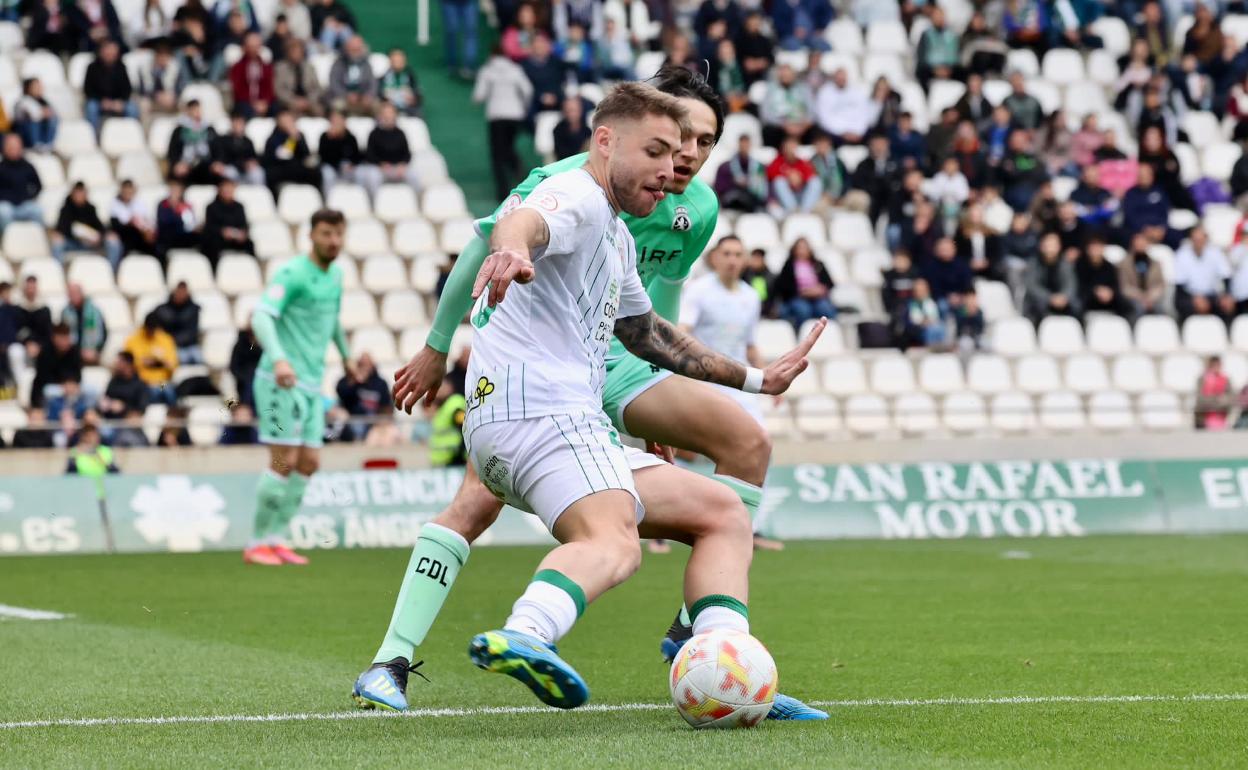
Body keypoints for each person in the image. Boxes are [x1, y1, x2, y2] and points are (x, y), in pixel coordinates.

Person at [352, 69, 826, 721]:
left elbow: (649, 333)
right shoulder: (574, 194)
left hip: (536, 429)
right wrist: (511, 250)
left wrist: (756, 379)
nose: (673, 166)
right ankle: (526, 632)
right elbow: (525, 222)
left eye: (688, 149)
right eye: (657, 151)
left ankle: (728, 665)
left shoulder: (616, 231)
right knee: (616, 543)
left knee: (722, 513)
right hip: (540, 422)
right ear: (606, 143)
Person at [244, 209, 354, 567]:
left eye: (338, 234)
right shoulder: (292, 274)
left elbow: (332, 319)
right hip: (280, 382)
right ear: (311, 235)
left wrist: (347, 356)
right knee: (283, 460)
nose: (333, 241)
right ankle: (256, 542)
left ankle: (276, 539)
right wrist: (278, 358)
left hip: (310, 385)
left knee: (308, 462)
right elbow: (261, 315)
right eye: (326, 234)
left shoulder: (336, 275)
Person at [473, 44, 532, 200]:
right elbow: (527, 90)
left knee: (497, 155)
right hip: (515, 114)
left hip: (497, 115)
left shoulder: (487, 71)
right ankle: (521, 172)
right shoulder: (515, 69)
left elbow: (479, 95)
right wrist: (523, 107)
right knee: (509, 148)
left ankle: (502, 192)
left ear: (491, 56)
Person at [51, 182, 124, 270]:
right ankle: (58, 272)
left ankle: (111, 272)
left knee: (113, 241)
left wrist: (100, 236)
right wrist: (77, 235)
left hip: (90, 243)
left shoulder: (91, 208)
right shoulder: (65, 209)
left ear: (86, 194)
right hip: (73, 243)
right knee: (57, 242)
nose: (79, 196)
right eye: (77, 193)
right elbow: (61, 229)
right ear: (72, 194)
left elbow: (99, 227)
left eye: (82, 193)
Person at [355, 103, 421, 198]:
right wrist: (381, 164)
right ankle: (375, 202)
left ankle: (416, 200)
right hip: (380, 168)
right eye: (385, 113)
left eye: (390, 113)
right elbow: (370, 155)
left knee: (414, 174)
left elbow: (407, 154)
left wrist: (402, 165)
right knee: (373, 176)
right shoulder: (374, 134)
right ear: (380, 116)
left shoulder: (400, 133)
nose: (388, 116)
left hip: (398, 168)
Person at [1173, 226, 1235, 322]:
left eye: (1201, 239)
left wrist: (1226, 296)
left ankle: (1226, 333)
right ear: (1191, 239)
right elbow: (1180, 285)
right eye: (1196, 239)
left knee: (1227, 304)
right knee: (1188, 305)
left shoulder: (1215, 253)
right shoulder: (1182, 254)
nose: (1199, 242)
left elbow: (1226, 277)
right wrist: (1195, 298)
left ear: (1206, 239)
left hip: (1211, 295)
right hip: (1188, 295)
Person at [773, 237, 836, 331]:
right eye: (799, 248)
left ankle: (828, 335)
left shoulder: (818, 264)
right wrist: (802, 292)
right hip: (797, 297)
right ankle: (803, 336)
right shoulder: (789, 265)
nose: (802, 251)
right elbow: (783, 286)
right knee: (803, 310)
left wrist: (821, 290)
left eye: (805, 248)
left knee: (826, 309)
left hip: (817, 298)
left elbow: (829, 283)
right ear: (794, 250)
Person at [82, 40, 138, 135]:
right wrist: (102, 101)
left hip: (117, 102)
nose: (111, 55)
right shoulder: (92, 68)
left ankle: (130, 135)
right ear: (102, 52)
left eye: (113, 52)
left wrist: (120, 102)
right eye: (108, 52)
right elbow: (88, 90)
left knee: (132, 108)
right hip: (98, 101)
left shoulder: (121, 67)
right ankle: (93, 136)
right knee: (91, 107)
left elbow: (127, 89)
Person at [1024, 232, 1080, 324]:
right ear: (1041, 246)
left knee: (1076, 305)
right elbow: (1032, 286)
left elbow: (1070, 284)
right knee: (1037, 306)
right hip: (1041, 302)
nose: (1050, 248)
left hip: (1062, 301)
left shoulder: (1065, 264)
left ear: (1059, 246)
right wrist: (1050, 298)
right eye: (1047, 245)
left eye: (1053, 245)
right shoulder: (1033, 264)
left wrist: (1064, 297)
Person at [97, 351, 149, 447]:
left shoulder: (140, 385)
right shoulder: (114, 382)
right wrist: (104, 405)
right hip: (109, 423)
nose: (116, 364)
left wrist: (123, 408)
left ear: (128, 364)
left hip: (128, 426)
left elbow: (139, 412)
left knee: (124, 437)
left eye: (119, 361)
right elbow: (105, 399)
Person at [124, 312, 178, 404]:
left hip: (161, 381)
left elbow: (173, 364)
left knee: (168, 391)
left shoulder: (165, 339)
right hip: (144, 382)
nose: (151, 332)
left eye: (154, 329)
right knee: (151, 393)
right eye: (149, 329)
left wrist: (161, 361)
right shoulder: (133, 340)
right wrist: (144, 362)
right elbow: (128, 362)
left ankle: (172, 416)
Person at [261, 109, 320, 194]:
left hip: (297, 167)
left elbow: (306, 154)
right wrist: (292, 139)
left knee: (315, 172)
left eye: (289, 120)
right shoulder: (273, 138)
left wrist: (298, 139)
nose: (288, 122)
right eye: (285, 120)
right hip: (279, 169)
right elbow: (284, 155)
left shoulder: (299, 135)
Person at [760, 64, 815, 148]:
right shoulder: (771, 89)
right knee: (769, 132)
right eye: (783, 76)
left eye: (788, 76)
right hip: (780, 126)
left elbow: (812, 110)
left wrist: (804, 125)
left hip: (801, 125)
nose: (786, 78)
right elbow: (765, 114)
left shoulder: (803, 88)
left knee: (817, 133)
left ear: (794, 76)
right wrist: (783, 125)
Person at [201, 178, 253, 266]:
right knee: (212, 243)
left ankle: (250, 267)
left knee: (250, 243)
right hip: (218, 238)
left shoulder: (239, 206)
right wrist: (222, 232)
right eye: (225, 188)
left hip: (235, 239)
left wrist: (242, 233)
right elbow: (209, 227)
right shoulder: (211, 207)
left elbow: (244, 224)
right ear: (220, 190)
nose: (228, 191)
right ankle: (214, 270)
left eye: (230, 188)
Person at [167, 99, 220, 186]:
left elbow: (217, 149)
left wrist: (217, 162)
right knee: (178, 178)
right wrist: (177, 164)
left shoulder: (209, 129)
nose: (196, 113)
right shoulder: (180, 130)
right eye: (193, 109)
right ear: (188, 111)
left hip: (205, 164)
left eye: (198, 109)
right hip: (185, 164)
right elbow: (172, 151)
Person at [815, 68, 872, 145]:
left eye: (843, 77)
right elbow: (824, 118)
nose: (841, 80)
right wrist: (842, 133)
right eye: (838, 78)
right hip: (836, 134)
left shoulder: (857, 91)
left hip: (858, 133)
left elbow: (865, 114)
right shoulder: (825, 92)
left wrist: (858, 132)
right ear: (834, 78)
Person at [766, 136, 822, 215]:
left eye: (793, 146)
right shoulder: (777, 161)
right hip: (784, 200)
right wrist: (788, 175)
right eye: (789, 146)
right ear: (783, 148)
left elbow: (811, 174)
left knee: (816, 181)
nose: (791, 150)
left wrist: (800, 177)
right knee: (779, 181)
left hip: (800, 197)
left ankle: (805, 211)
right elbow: (769, 174)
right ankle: (793, 211)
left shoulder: (802, 162)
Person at [32, 323, 82, 409]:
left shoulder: (74, 351)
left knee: (91, 390)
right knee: (50, 391)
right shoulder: (45, 352)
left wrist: (72, 382)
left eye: (66, 338)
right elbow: (43, 377)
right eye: (61, 338)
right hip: (49, 387)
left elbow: (78, 374)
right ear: (54, 338)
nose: (64, 342)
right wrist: (63, 384)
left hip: (70, 386)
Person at [0, 134, 43, 233]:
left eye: (16, 147)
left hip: (24, 204)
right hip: (6, 205)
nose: (14, 150)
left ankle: (36, 240)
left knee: (38, 211)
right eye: (11, 147)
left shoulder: (28, 166)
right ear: (5, 148)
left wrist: (29, 196)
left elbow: (38, 185)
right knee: (3, 212)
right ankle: (7, 240)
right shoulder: (1, 168)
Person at [714, 134, 768, 213]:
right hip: (732, 200)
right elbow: (720, 189)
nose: (744, 148)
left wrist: (749, 183)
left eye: (746, 145)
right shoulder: (725, 167)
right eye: (742, 145)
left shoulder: (758, 167)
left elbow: (762, 191)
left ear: (750, 146)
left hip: (752, 201)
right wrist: (734, 182)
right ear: (738, 145)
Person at [212, 111, 265, 187]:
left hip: (246, 170)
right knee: (228, 172)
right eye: (235, 122)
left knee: (258, 173)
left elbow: (253, 157)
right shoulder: (222, 140)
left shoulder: (248, 141)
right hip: (231, 168)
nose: (237, 126)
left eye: (240, 123)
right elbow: (220, 158)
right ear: (231, 124)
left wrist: (252, 163)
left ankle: (258, 194)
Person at [1118, 233, 1165, 319]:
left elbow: (1160, 284)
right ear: (1133, 244)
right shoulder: (1124, 264)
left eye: (1143, 243)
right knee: (1138, 308)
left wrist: (1151, 297)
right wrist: (1141, 296)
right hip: (1133, 298)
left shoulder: (1155, 263)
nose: (1140, 246)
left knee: (1161, 309)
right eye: (1138, 244)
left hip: (1152, 298)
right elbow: (1124, 287)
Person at [327, 35, 377, 116]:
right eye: (353, 49)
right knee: (337, 105)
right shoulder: (339, 63)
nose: (355, 52)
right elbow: (334, 83)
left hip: (362, 98)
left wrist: (368, 95)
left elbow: (372, 83)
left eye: (357, 49)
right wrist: (346, 95)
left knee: (376, 106)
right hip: (343, 97)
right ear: (347, 48)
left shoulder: (366, 64)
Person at [273, 38, 323, 118]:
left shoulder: (309, 67)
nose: (296, 54)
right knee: (289, 115)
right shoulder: (280, 68)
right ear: (288, 52)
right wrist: (294, 101)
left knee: (319, 111)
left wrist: (308, 101)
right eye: (293, 52)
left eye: (299, 51)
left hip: (309, 102)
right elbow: (279, 90)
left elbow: (317, 88)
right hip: (289, 103)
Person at [156, 281, 202, 365]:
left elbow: (192, 332)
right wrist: (170, 341)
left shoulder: (193, 310)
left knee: (199, 358)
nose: (180, 295)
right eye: (179, 292)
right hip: (170, 345)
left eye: (183, 292)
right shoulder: (162, 310)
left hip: (190, 345)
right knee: (180, 358)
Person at [61, 283, 107, 366]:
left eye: (75, 293)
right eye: (70, 293)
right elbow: (62, 334)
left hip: (91, 354)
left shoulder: (94, 312)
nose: (73, 296)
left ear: (81, 293)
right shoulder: (65, 313)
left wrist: (96, 351)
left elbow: (104, 333)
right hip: (71, 354)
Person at [155, 180, 199, 262]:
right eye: (173, 189)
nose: (174, 192)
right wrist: (176, 212)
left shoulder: (186, 205)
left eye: (177, 190)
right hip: (168, 237)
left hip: (184, 236)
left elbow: (191, 223)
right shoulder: (162, 204)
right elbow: (163, 222)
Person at [318, 109, 362, 190]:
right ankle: (328, 199)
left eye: (339, 120)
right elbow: (323, 157)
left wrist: (352, 165)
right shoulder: (325, 137)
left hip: (347, 167)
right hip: (331, 166)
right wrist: (331, 139)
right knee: (327, 174)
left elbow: (356, 156)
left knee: (360, 173)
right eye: (334, 121)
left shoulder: (350, 137)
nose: (337, 124)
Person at [136, 44, 181, 117]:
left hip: (168, 99)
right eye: (162, 57)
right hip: (151, 100)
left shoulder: (174, 69)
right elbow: (142, 90)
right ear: (156, 57)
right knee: (143, 103)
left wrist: (172, 96)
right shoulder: (145, 69)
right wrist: (156, 96)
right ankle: (146, 128)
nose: (164, 60)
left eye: (166, 57)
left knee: (182, 103)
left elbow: (178, 88)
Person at [13, 78, 58, 152]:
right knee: (32, 121)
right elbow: (34, 115)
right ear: (28, 88)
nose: (39, 88)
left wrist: (44, 113)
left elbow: (52, 113)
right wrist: (42, 113)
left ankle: (47, 145)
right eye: (36, 86)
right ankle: (36, 144)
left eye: (40, 86)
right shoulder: (23, 100)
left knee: (54, 119)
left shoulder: (43, 101)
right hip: (24, 134)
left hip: (39, 131)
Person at [441, 0, 479, 79]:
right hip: (449, 3)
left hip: (469, 2)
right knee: (451, 32)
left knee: (470, 32)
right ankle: (452, 63)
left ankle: (469, 65)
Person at [380, 47, 422, 117]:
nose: (398, 63)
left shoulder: (409, 73)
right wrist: (384, 98)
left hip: (407, 107)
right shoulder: (382, 74)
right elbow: (377, 91)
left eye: (400, 60)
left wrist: (413, 98)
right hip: (387, 106)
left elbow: (417, 91)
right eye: (395, 60)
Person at [1196, 356, 1232, 430]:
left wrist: (1220, 401)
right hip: (1205, 418)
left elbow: (1230, 398)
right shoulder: (1202, 379)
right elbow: (1200, 399)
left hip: (1222, 416)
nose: (1216, 367)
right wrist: (1217, 400)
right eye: (1213, 365)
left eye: (1218, 365)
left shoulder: (1226, 379)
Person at [230, 324, 261, 407]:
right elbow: (234, 367)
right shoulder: (240, 345)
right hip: (245, 381)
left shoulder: (266, 345)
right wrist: (245, 376)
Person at [552, 95, 592, 160]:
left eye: (573, 110)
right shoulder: (558, 130)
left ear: (580, 110)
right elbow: (561, 155)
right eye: (568, 110)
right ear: (564, 111)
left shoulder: (587, 131)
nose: (571, 114)